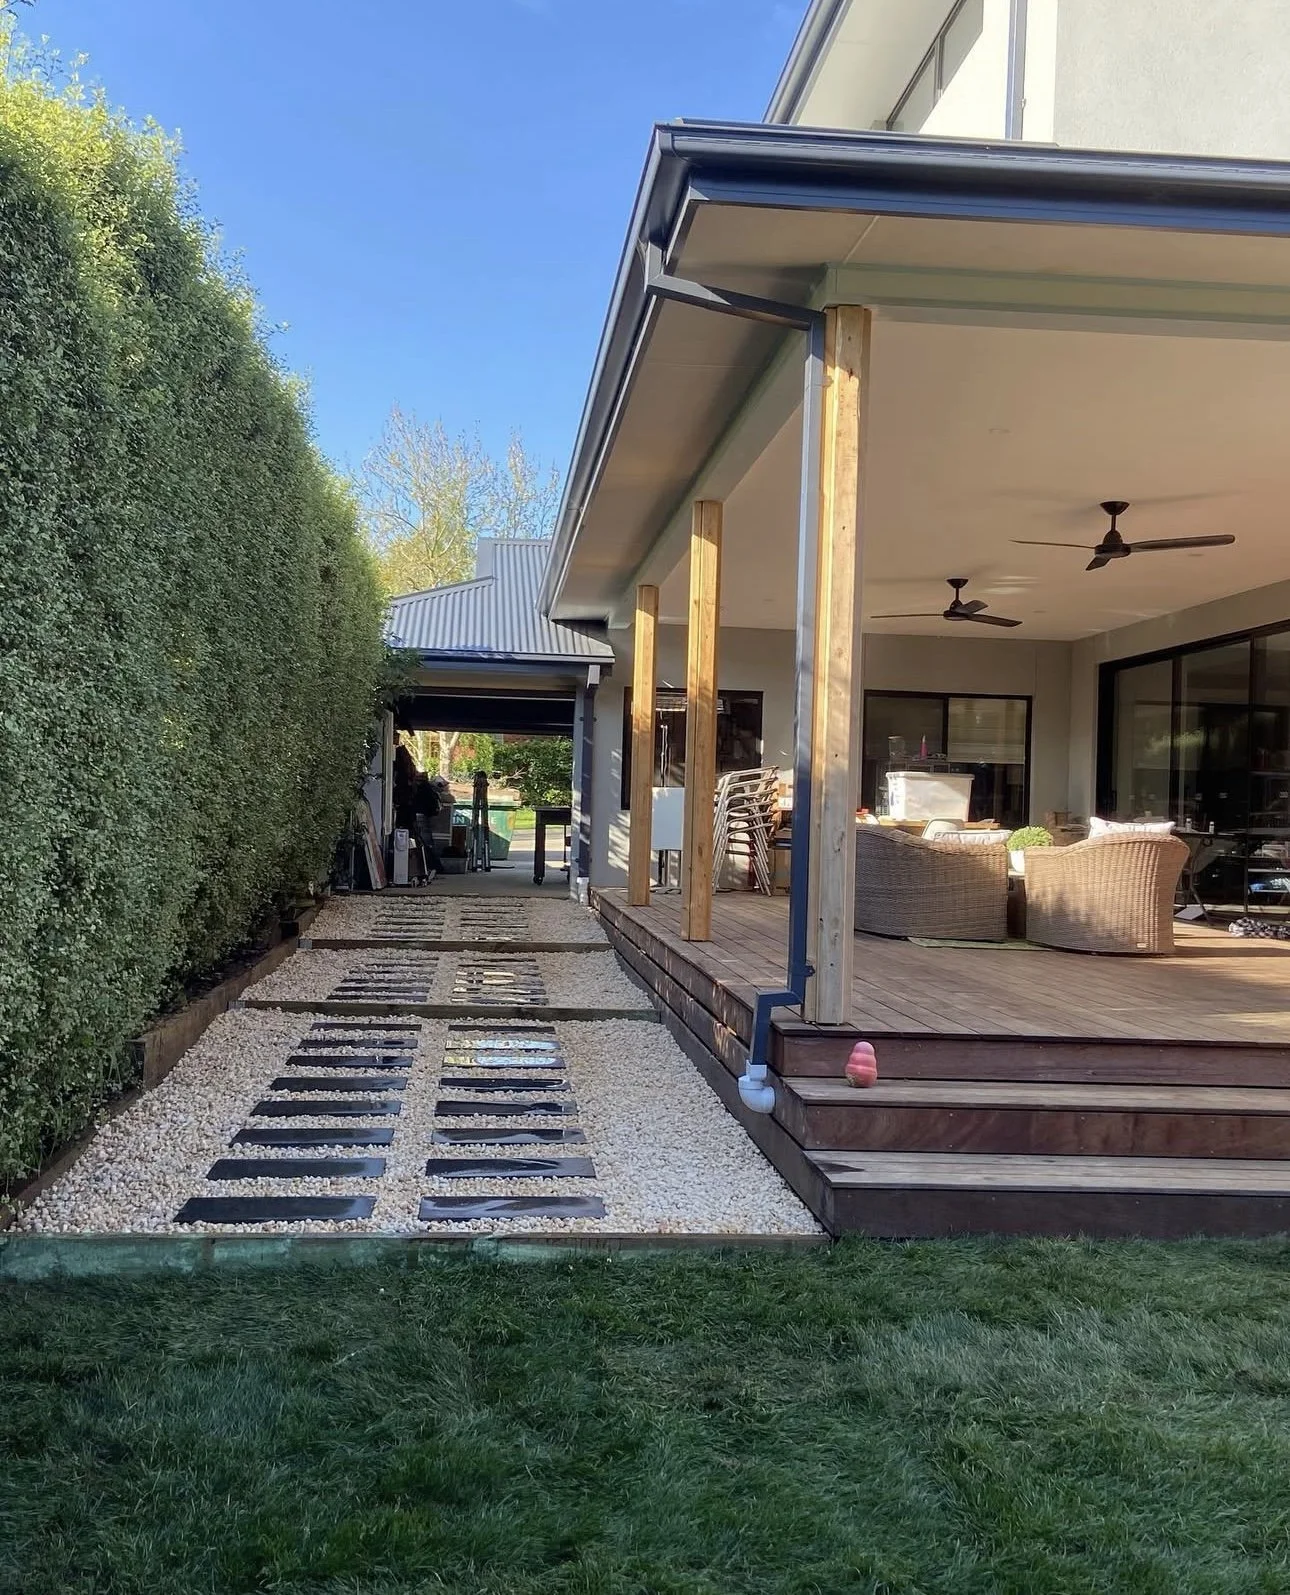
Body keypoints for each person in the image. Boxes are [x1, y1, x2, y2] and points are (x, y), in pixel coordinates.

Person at [413, 769, 451, 881]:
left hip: (418, 816)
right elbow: (433, 808)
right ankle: (431, 867)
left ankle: (427, 867)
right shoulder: (429, 791)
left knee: (423, 843)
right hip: (423, 817)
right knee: (426, 844)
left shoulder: (420, 789)